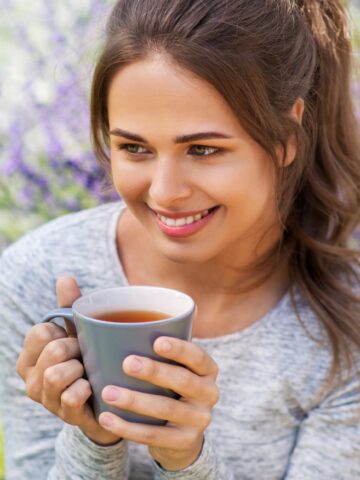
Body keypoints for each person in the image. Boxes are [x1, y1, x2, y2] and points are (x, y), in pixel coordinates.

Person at [1, 0, 360, 478]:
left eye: (203, 149)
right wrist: (94, 437)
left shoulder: (343, 324)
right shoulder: (38, 277)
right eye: (134, 148)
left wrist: (185, 459)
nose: (165, 193)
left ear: (286, 136)